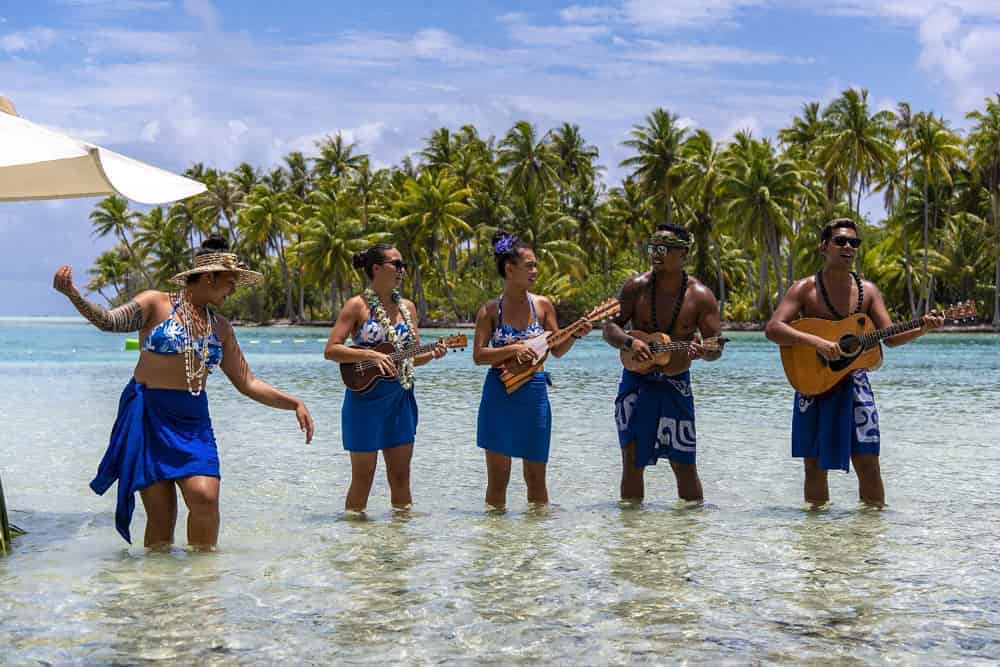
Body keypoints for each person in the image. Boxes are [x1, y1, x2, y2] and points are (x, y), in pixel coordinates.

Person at [53, 235, 314, 550]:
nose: (233, 290)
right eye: (230, 282)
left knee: (205, 498)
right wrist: (73, 294)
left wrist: (294, 403)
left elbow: (248, 382)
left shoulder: (221, 327)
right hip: (150, 416)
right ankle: (161, 581)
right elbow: (108, 321)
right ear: (209, 277)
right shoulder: (155, 303)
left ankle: (204, 576)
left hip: (193, 421)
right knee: (161, 517)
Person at [765, 218, 944, 508]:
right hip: (813, 383)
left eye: (854, 242)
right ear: (824, 247)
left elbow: (890, 337)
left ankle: (871, 529)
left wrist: (923, 328)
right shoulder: (804, 289)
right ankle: (816, 530)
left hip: (855, 384)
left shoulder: (868, 291)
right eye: (840, 241)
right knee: (814, 465)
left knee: (868, 461)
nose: (848, 246)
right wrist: (818, 343)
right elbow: (774, 328)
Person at [602, 224, 725, 503]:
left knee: (683, 463)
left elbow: (715, 346)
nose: (656, 253)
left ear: (684, 253)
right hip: (636, 382)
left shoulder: (701, 296)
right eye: (653, 247)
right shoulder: (636, 287)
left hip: (676, 385)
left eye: (664, 248)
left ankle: (689, 526)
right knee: (632, 459)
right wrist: (629, 342)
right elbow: (610, 327)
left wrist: (705, 352)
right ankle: (631, 526)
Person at [472, 231, 592, 510]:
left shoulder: (543, 305)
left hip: (535, 394)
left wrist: (575, 334)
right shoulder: (490, 311)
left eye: (536, 265)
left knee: (536, 479)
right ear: (509, 269)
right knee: (498, 479)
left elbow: (557, 350)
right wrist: (513, 349)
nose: (535, 271)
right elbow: (479, 356)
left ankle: (537, 536)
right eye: (529, 265)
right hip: (499, 394)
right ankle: (496, 534)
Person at [324, 244, 447, 513]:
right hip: (364, 400)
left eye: (404, 265)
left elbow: (412, 357)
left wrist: (432, 354)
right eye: (396, 264)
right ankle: (357, 537)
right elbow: (331, 350)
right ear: (377, 268)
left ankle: (401, 536)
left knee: (401, 478)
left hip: (400, 399)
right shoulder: (357, 306)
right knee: (363, 478)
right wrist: (370, 354)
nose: (402, 270)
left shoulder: (408, 308)